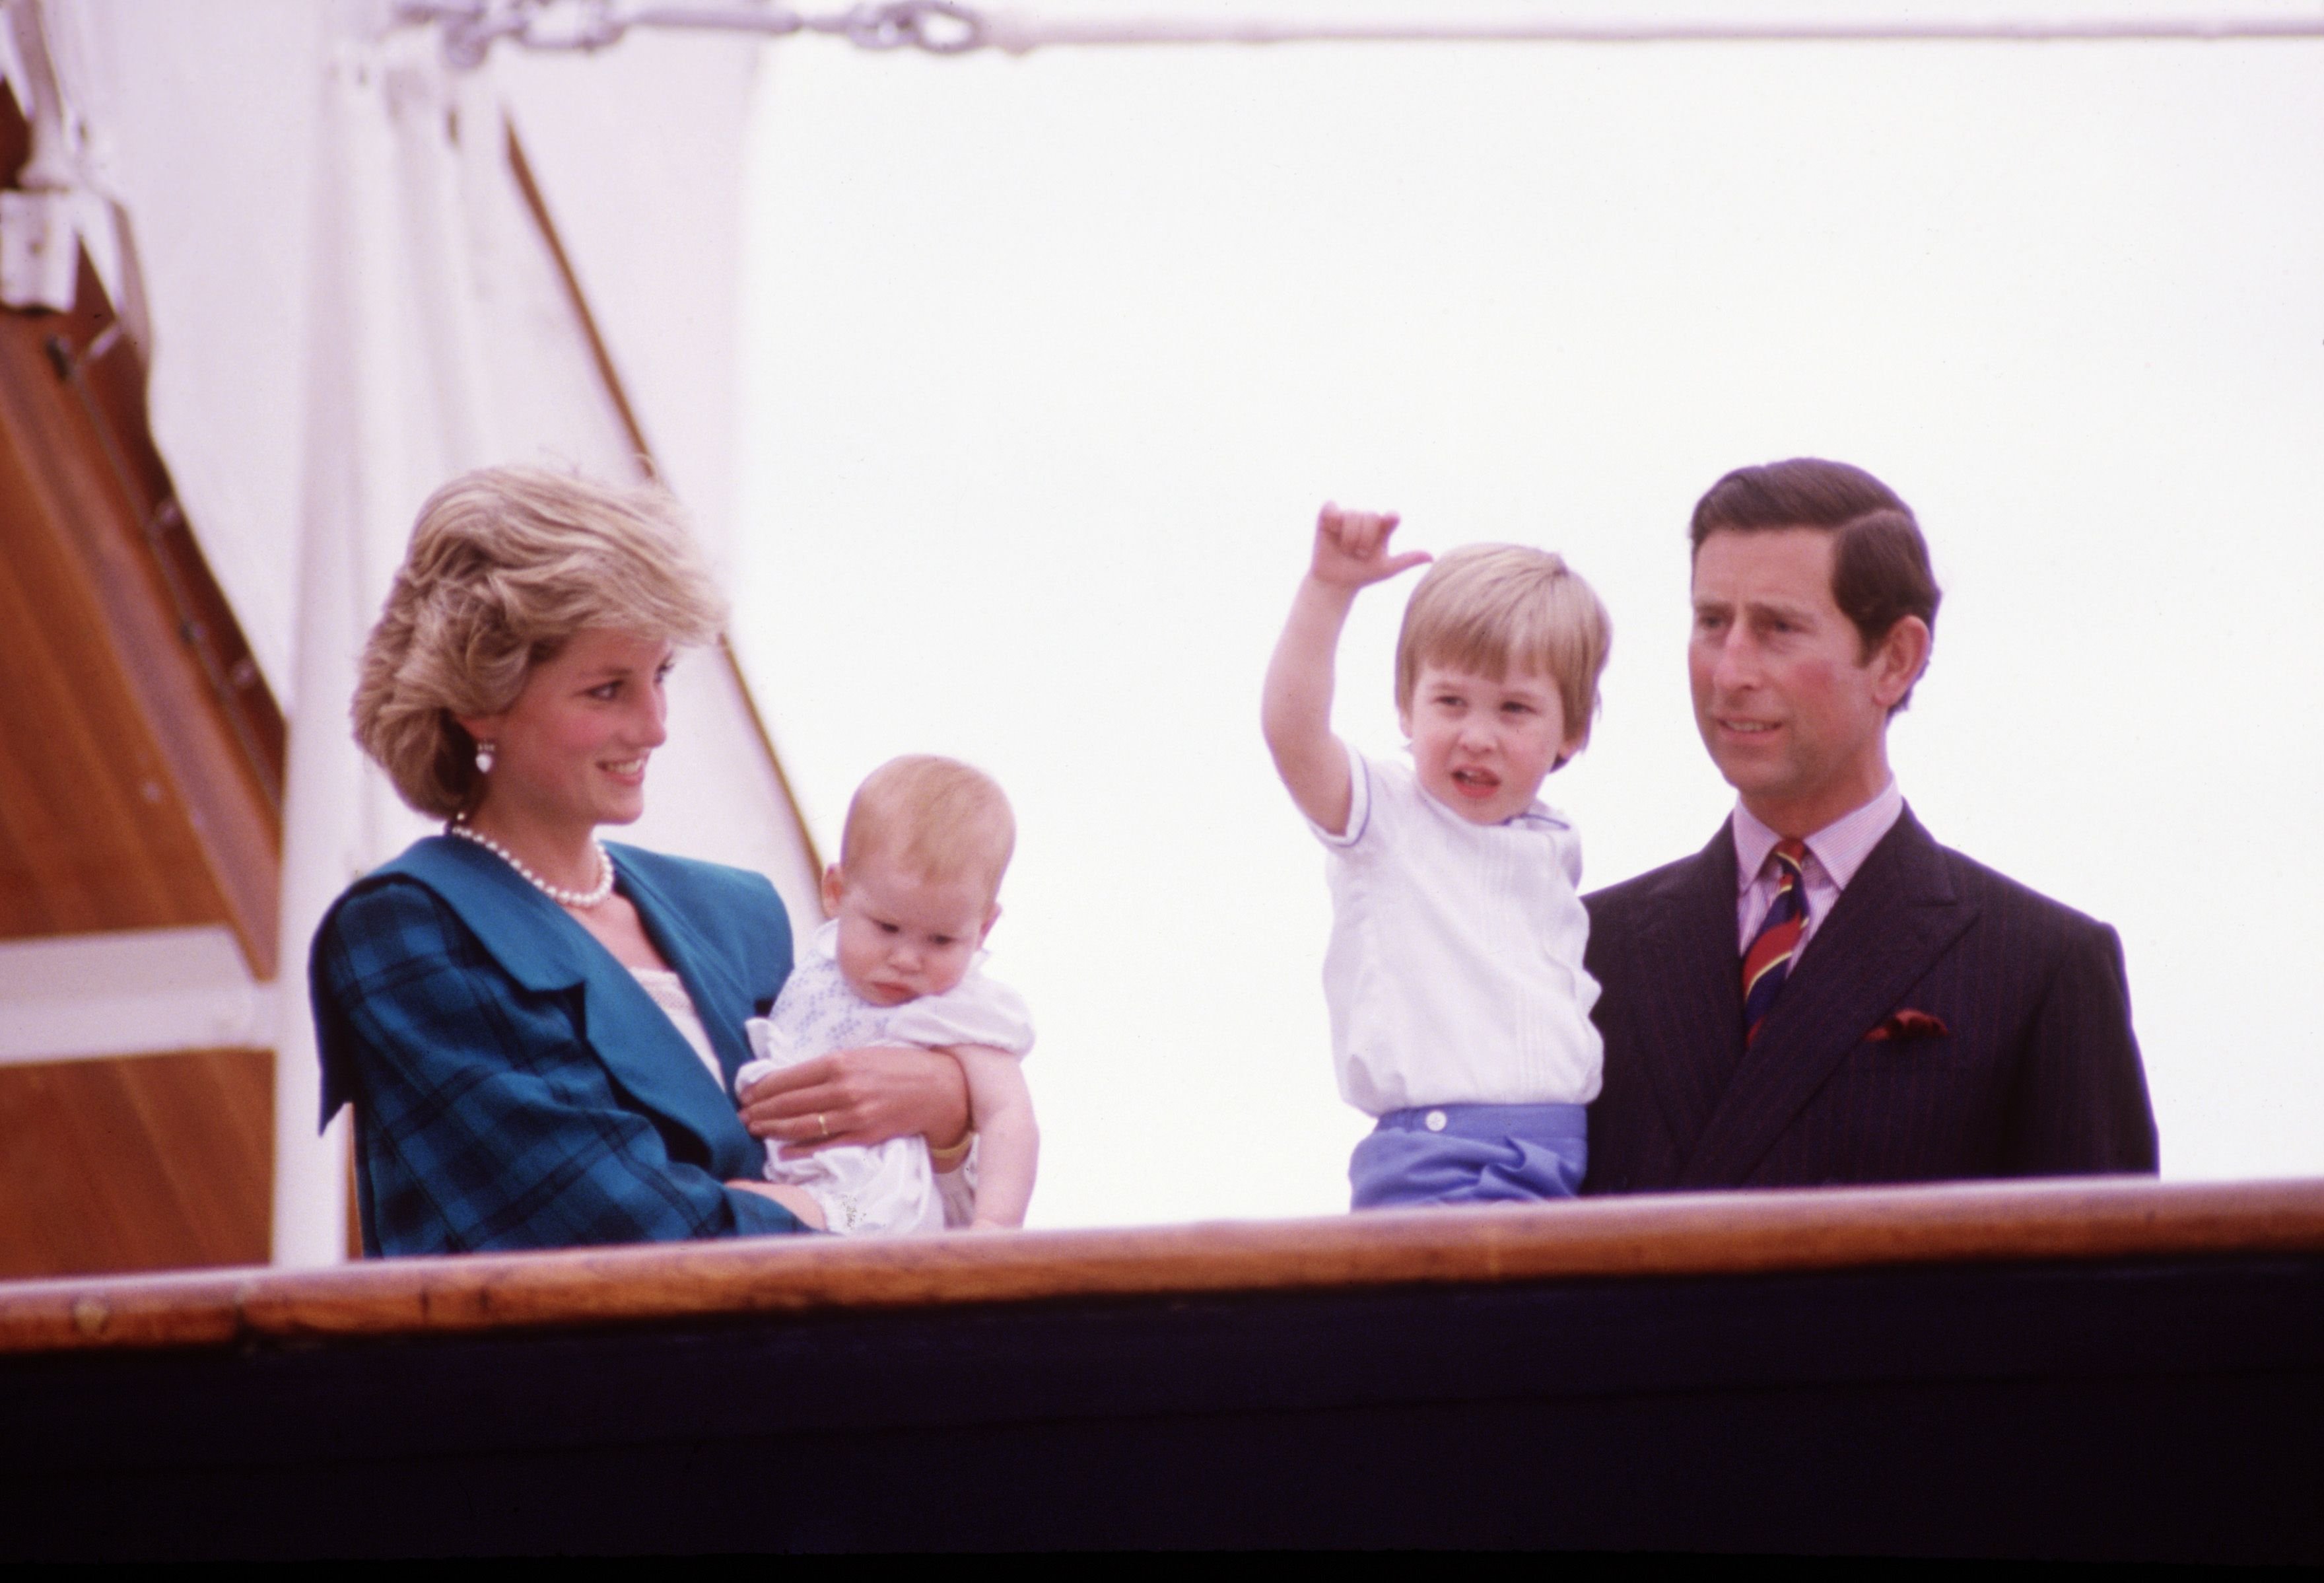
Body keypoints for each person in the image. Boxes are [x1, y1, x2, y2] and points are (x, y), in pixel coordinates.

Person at [311, 465, 973, 1253]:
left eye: (660, 675)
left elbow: (927, 1211)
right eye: (607, 690)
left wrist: (949, 1109)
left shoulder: (738, 917)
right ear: (479, 701)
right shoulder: (410, 929)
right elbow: (617, 1230)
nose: (656, 726)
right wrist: (839, 1221)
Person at [1583, 457, 2158, 1192]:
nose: (1728, 672)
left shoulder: (2041, 967)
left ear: (1895, 659)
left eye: (1778, 627)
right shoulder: (1580, 949)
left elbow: (2109, 1297)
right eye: (1711, 622)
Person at [1263, 503, 1613, 1209]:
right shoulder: (1387, 817)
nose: (1477, 736)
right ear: (1406, 707)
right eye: (1450, 701)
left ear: (1570, 729)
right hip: (1439, 1156)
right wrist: (1328, 592)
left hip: (1559, 1156)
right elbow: (1292, 733)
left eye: (1513, 710)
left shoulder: (1549, 841)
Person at [737, 755, 1038, 1234]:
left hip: (882, 1207)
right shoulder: (818, 967)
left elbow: (1008, 1111)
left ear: (982, 928)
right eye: (887, 926)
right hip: (798, 1167)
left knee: (750, 1209)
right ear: (836, 891)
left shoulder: (960, 1008)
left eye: (941, 940)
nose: (907, 958)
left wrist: (996, 1226)